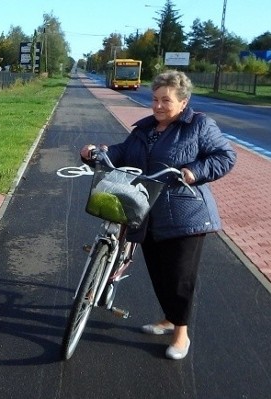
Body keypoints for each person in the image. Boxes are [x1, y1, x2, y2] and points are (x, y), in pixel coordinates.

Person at [80, 70, 236, 360]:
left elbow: (225, 157)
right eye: (155, 99)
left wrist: (195, 172)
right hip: (147, 210)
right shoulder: (145, 129)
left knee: (179, 277)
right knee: (159, 274)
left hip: (185, 213)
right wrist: (96, 151)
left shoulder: (199, 126)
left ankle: (181, 333)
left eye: (166, 100)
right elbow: (122, 151)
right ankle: (168, 318)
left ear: (183, 101)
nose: (158, 106)